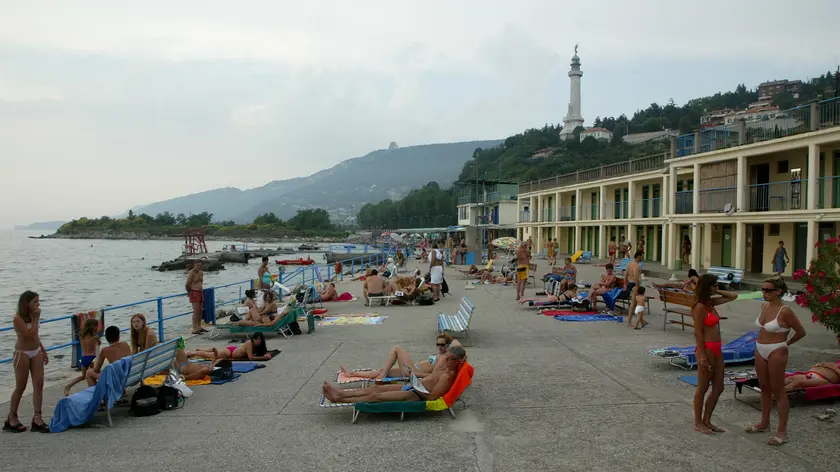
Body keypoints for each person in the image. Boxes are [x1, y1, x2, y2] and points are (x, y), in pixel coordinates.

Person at [746, 278, 806, 446]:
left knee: (778, 390)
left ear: (779, 291)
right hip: (760, 348)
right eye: (763, 289)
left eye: (768, 290)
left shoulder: (785, 310)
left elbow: (801, 332)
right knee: (764, 387)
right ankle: (764, 423)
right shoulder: (763, 306)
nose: (764, 292)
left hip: (776, 349)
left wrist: (786, 343)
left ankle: (782, 432)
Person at [322, 345, 467, 404]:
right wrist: (414, 377)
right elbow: (430, 377)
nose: (445, 360)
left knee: (375, 396)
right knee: (375, 389)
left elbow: (432, 397)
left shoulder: (448, 377)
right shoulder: (443, 364)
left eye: (450, 359)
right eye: (446, 356)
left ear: (458, 361)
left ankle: (339, 399)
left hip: (415, 394)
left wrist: (415, 386)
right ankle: (340, 393)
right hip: (414, 385)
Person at [691, 274, 737, 435]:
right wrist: (702, 355)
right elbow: (697, 333)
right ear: (707, 287)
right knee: (702, 388)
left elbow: (734, 296)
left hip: (717, 348)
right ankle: (698, 422)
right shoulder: (699, 307)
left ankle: (707, 420)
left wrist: (718, 290)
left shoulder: (710, 303)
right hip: (707, 348)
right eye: (715, 285)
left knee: (719, 387)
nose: (717, 287)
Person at [5, 291, 49, 433]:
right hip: (22, 353)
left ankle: (37, 417)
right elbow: (29, 335)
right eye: (35, 302)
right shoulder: (18, 318)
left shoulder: (34, 317)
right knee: (21, 386)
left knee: (39, 383)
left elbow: (36, 336)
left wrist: (43, 350)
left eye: (38, 301)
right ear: (26, 303)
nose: (38, 304)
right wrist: (36, 319)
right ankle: (12, 417)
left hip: (35, 351)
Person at [339, 334, 458, 380]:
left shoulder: (444, 358)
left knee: (397, 348)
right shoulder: (440, 354)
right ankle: (351, 374)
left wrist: (416, 375)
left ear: (448, 344)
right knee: (381, 370)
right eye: (438, 344)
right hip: (412, 369)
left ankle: (383, 375)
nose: (440, 347)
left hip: (413, 372)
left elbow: (434, 375)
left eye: (442, 344)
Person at [63, 318, 101, 396]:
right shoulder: (95, 337)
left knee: (83, 376)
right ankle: (95, 391)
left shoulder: (81, 336)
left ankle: (68, 386)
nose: (97, 328)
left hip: (83, 358)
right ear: (93, 327)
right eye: (96, 326)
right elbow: (99, 343)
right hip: (92, 358)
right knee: (92, 375)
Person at [187, 332, 273, 361]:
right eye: (257, 339)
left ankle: (201, 349)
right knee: (209, 355)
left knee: (214, 351)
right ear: (253, 339)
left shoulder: (256, 344)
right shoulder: (250, 343)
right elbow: (251, 358)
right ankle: (192, 353)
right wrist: (263, 358)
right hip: (229, 353)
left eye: (260, 340)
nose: (258, 341)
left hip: (233, 350)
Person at [186, 260, 206, 335]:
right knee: (196, 311)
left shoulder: (201, 272)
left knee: (200, 311)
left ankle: (199, 327)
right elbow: (187, 284)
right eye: (198, 265)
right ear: (194, 265)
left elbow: (201, 282)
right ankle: (195, 328)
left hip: (200, 292)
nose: (199, 267)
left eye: (200, 265)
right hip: (194, 292)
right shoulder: (191, 273)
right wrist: (189, 292)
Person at [624, 251, 643, 324]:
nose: (642, 258)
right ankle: (629, 321)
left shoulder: (629, 264)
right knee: (634, 304)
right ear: (638, 256)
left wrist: (625, 284)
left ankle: (641, 321)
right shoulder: (637, 265)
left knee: (639, 303)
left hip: (630, 284)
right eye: (642, 256)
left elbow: (625, 275)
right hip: (635, 284)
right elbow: (635, 277)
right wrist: (637, 287)